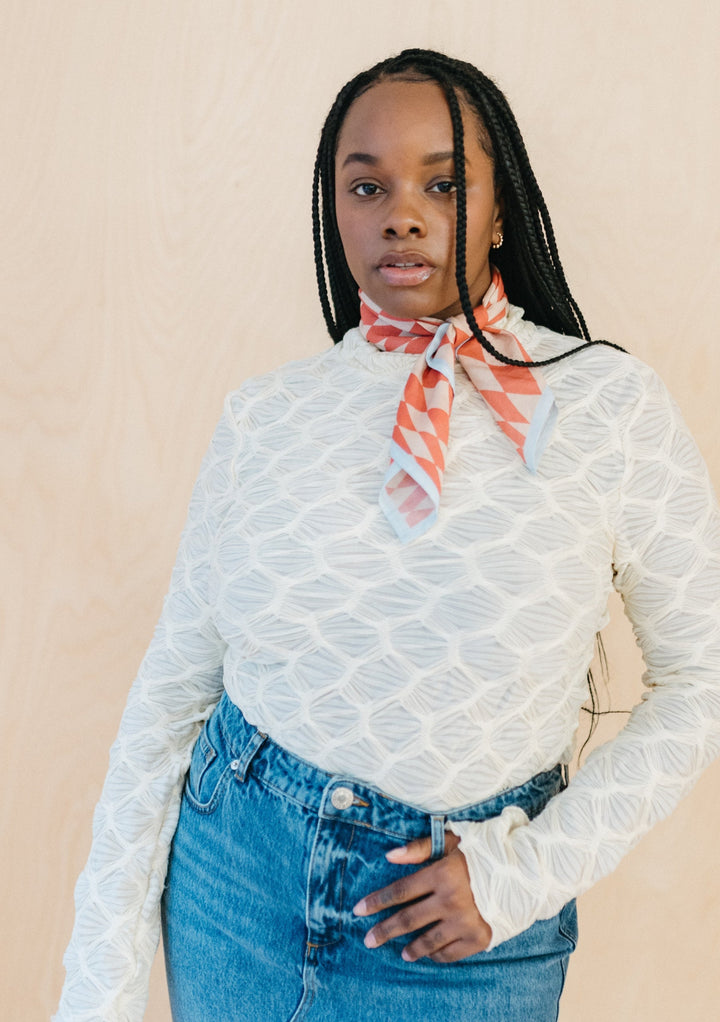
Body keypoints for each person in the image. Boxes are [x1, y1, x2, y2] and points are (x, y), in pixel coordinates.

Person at [54, 48, 720, 1022]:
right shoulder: (265, 416)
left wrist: (524, 873)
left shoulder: (609, 408)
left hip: (465, 925)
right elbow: (170, 696)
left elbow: (704, 678)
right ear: (335, 207)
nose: (401, 213)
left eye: (443, 183)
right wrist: (96, 989)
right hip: (234, 880)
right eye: (367, 185)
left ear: (502, 206)